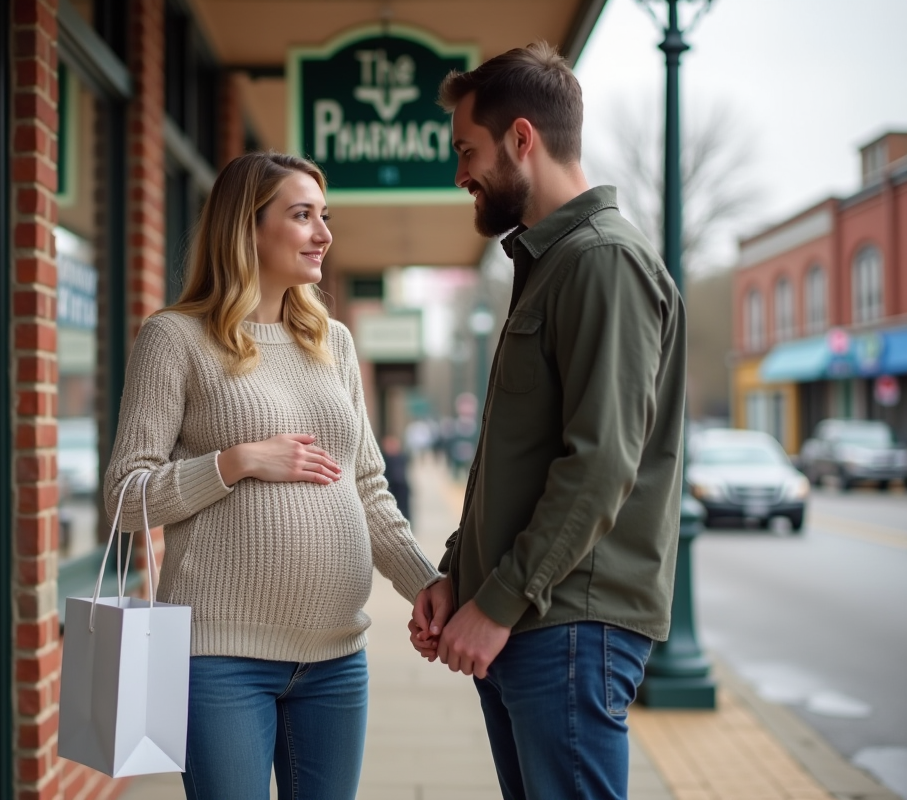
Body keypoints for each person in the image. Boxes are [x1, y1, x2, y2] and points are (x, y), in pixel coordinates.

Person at [103, 151, 441, 800]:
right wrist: (236, 462)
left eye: (325, 216)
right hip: (219, 659)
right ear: (247, 228)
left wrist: (424, 582)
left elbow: (367, 486)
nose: (324, 233)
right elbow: (124, 498)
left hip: (337, 654)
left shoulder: (332, 342)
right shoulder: (175, 339)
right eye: (302, 215)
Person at [409, 42, 688, 800]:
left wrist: (495, 603)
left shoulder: (604, 262)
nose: (459, 172)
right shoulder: (552, 266)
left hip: (566, 625)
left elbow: (598, 465)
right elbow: (514, 459)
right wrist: (458, 575)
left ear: (522, 139)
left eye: (468, 149)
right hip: (529, 623)